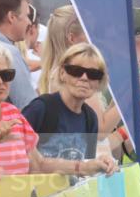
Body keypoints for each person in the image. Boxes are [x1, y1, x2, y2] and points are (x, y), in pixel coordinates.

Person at [0, 40, 114, 177]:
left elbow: (38, 164)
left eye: (6, 75)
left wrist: (85, 167)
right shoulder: (40, 107)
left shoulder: (12, 114)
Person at [22, 42, 114, 170]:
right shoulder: (41, 108)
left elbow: (86, 163)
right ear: (62, 73)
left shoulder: (90, 118)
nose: (84, 78)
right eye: (76, 71)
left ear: (99, 82)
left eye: (93, 74)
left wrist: (101, 161)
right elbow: (14, 156)